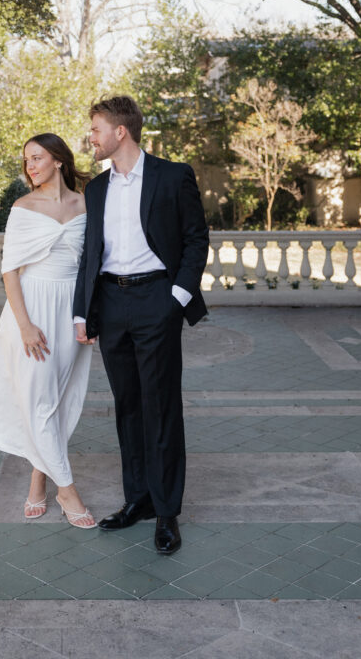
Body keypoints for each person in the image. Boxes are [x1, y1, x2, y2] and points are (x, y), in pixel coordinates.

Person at [73, 96, 209, 554]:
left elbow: (196, 239)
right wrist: (83, 312)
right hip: (111, 303)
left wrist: (177, 297)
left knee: (161, 407)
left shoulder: (173, 175)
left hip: (157, 299)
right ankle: (138, 501)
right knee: (127, 406)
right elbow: (90, 255)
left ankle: (167, 512)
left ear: (120, 132)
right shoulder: (96, 189)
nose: (90, 138)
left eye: (95, 129)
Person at [0, 133, 96, 528]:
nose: (30, 166)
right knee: (38, 404)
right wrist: (26, 326)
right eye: (27, 160)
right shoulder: (22, 207)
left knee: (59, 401)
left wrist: (89, 315)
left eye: (38, 157)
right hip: (31, 310)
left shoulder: (86, 204)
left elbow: (92, 266)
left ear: (59, 160)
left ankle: (37, 478)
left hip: (71, 310)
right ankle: (68, 491)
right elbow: (9, 271)